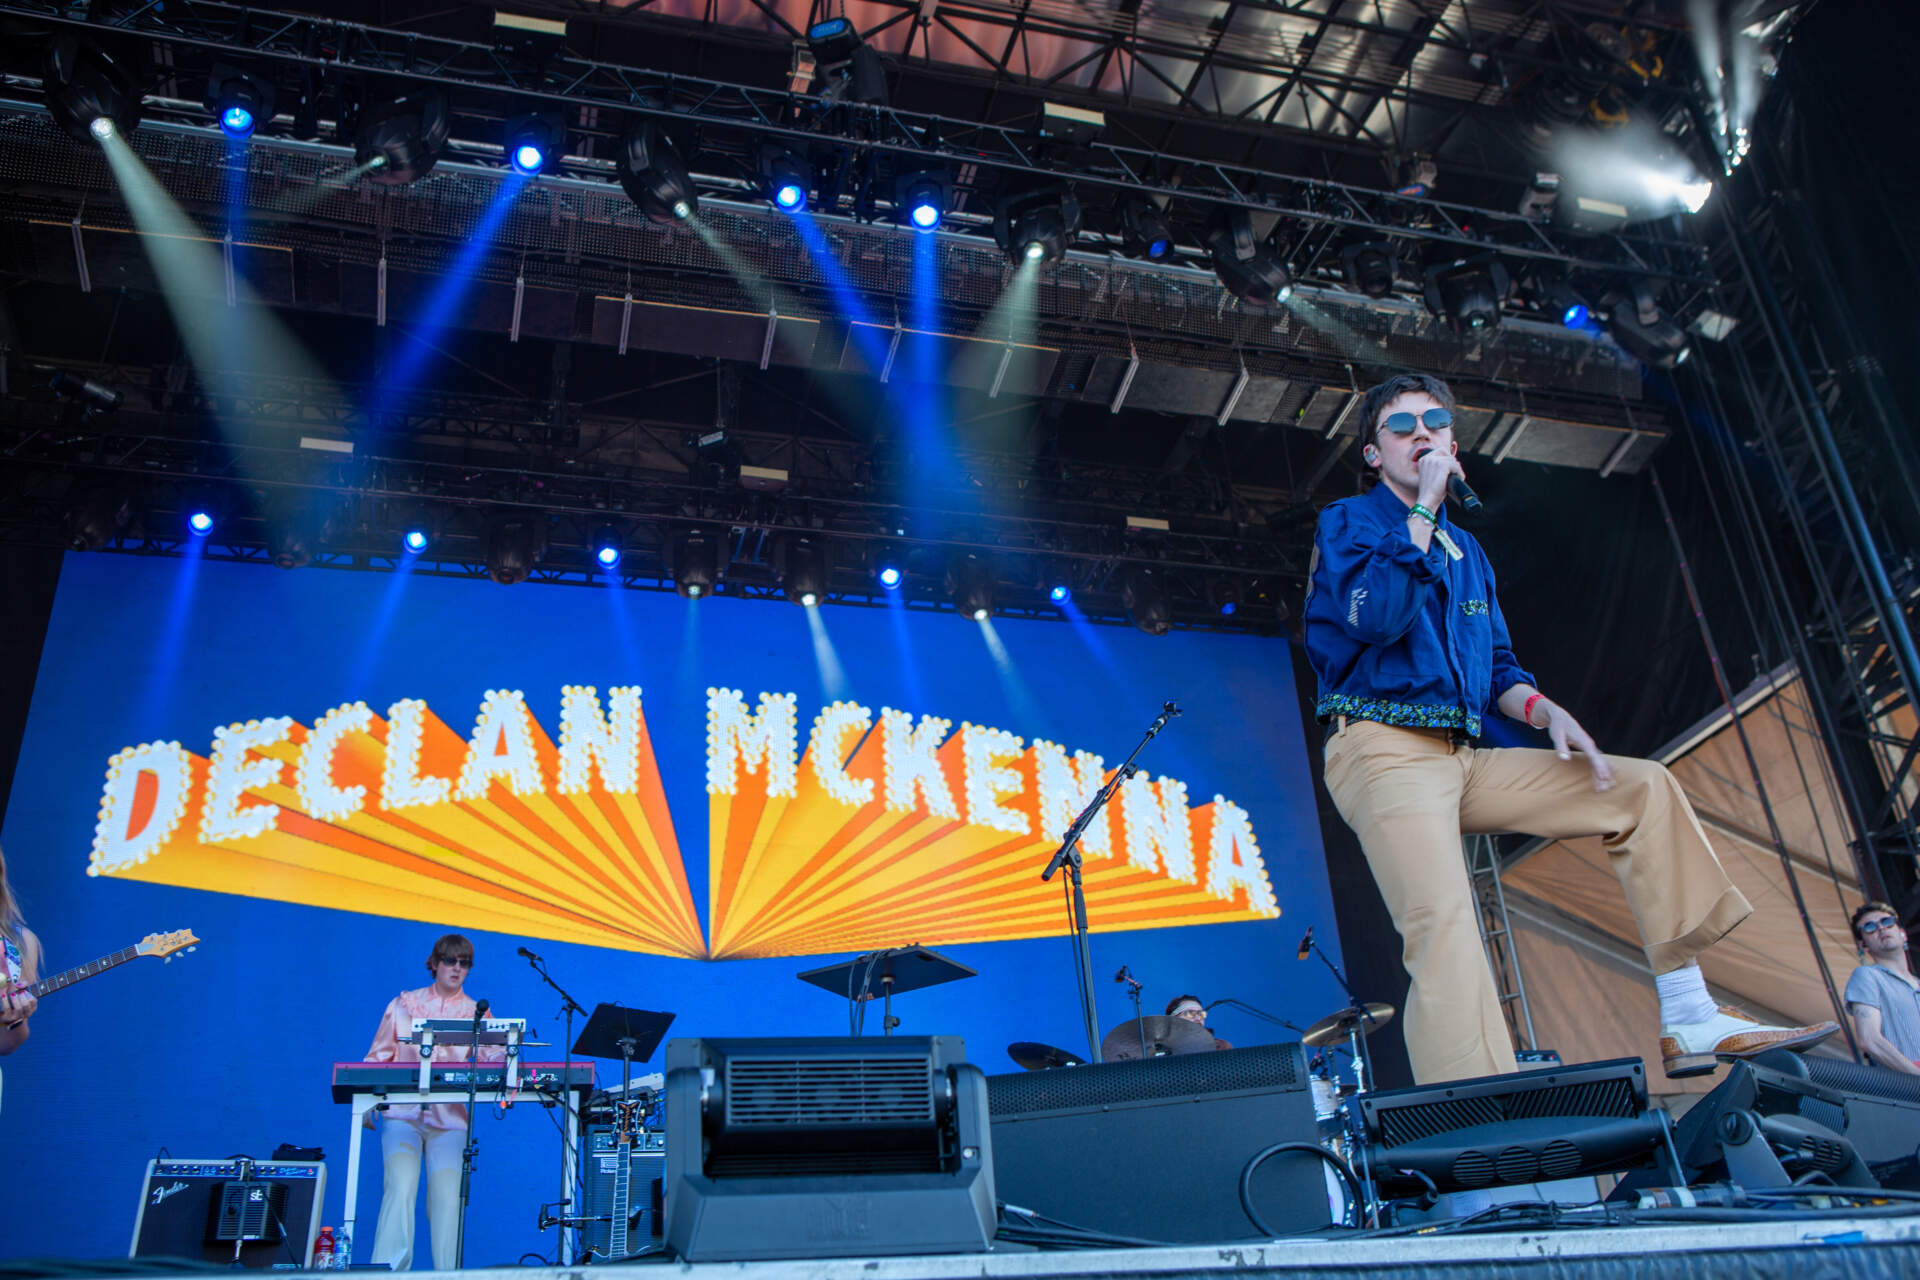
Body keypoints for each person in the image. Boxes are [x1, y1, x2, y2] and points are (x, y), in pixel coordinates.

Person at [1303, 371, 1836, 1085]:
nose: (1422, 433)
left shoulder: (1470, 555)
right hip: (1382, 750)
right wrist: (1425, 506)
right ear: (1375, 455)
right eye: (1402, 426)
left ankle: (1688, 1011)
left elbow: (1496, 671)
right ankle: (1477, 1120)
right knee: (1445, 929)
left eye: (1435, 421)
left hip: (1462, 758)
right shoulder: (1350, 522)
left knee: (1640, 788)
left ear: (1454, 441)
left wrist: (1543, 709)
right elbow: (1378, 618)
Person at [364, 933, 502, 1270]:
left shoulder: (477, 1013)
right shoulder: (403, 1005)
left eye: (464, 963)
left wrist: (505, 1062)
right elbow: (378, 1057)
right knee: (399, 1189)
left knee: (447, 1200)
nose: (457, 968)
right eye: (451, 961)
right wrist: (369, 1100)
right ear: (435, 964)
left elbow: (495, 1059)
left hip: (450, 1121)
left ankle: (448, 1274)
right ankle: (388, 1273)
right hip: (403, 1115)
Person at [1844, 902, 1920, 1074]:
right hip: (1907, 1090)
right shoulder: (1866, 976)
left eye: (1887, 922)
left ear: (1902, 934)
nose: (1881, 928)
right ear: (1863, 946)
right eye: (1870, 927)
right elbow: (1870, 1040)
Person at [1165, 994, 1233, 1049]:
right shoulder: (1160, 1048)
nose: (1198, 1018)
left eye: (1201, 1014)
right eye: (1190, 1013)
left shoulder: (1221, 1046)